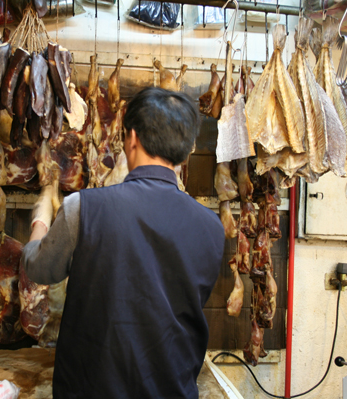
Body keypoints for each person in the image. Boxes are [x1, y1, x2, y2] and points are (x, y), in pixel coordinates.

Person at [21, 87, 225, 398]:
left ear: (131, 138)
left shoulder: (83, 208)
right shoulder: (212, 227)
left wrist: (40, 219)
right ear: (186, 150)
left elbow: (38, 269)